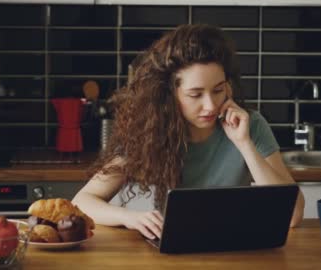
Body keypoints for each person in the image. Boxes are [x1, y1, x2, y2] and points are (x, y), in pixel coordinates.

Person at [72, 24, 305, 240]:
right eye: (195, 95)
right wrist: (129, 218)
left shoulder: (250, 125)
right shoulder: (149, 132)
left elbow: (292, 215)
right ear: (170, 95)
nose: (211, 105)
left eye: (218, 90)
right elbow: (82, 201)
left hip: (233, 249)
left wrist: (244, 143)